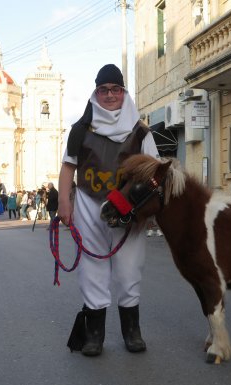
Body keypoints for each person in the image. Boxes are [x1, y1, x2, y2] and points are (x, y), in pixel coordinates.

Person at [58, 64, 159, 356]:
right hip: (90, 205)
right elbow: (68, 167)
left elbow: (155, 172)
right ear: (96, 92)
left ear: (123, 92)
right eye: (104, 90)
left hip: (128, 210)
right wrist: (65, 202)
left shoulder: (141, 131)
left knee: (129, 269)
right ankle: (94, 335)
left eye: (115, 89)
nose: (110, 95)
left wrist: (150, 209)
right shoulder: (80, 129)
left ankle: (132, 332)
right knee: (93, 268)